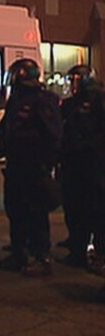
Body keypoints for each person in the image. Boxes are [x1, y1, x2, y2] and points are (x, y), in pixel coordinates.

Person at [0, 58, 62, 277]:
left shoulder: (43, 100)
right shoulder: (16, 101)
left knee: (36, 211)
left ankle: (42, 257)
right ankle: (19, 252)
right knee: (15, 210)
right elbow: (5, 127)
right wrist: (2, 142)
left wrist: (45, 161)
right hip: (16, 164)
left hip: (34, 166)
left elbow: (52, 134)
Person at [58, 65, 105, 270]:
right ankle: (77, 250)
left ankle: (99, 252)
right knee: (73, 209)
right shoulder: (69, 104)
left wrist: (90, 146)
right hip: (71, 164)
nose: (72, 85)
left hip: (94, 164)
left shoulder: (99, 101)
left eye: (75, 80)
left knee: (95, 209)